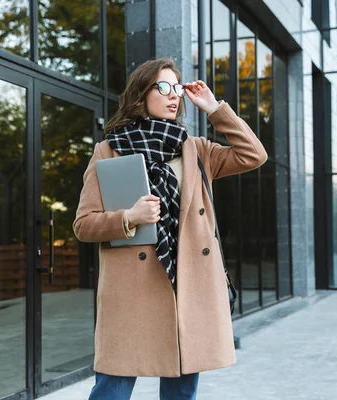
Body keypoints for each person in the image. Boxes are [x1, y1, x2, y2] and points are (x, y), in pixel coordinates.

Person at [73, 58, 267, 400]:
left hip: (187, 287)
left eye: (176, 87)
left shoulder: (196, 150)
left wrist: (214, 108)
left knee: (180, 393)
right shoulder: (108, 151)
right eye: (163, 87)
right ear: (139, 97)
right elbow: (83, 225)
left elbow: (254, 155)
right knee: (112, 391)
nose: (174, 95)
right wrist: (127, 217)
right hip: (131, 293)